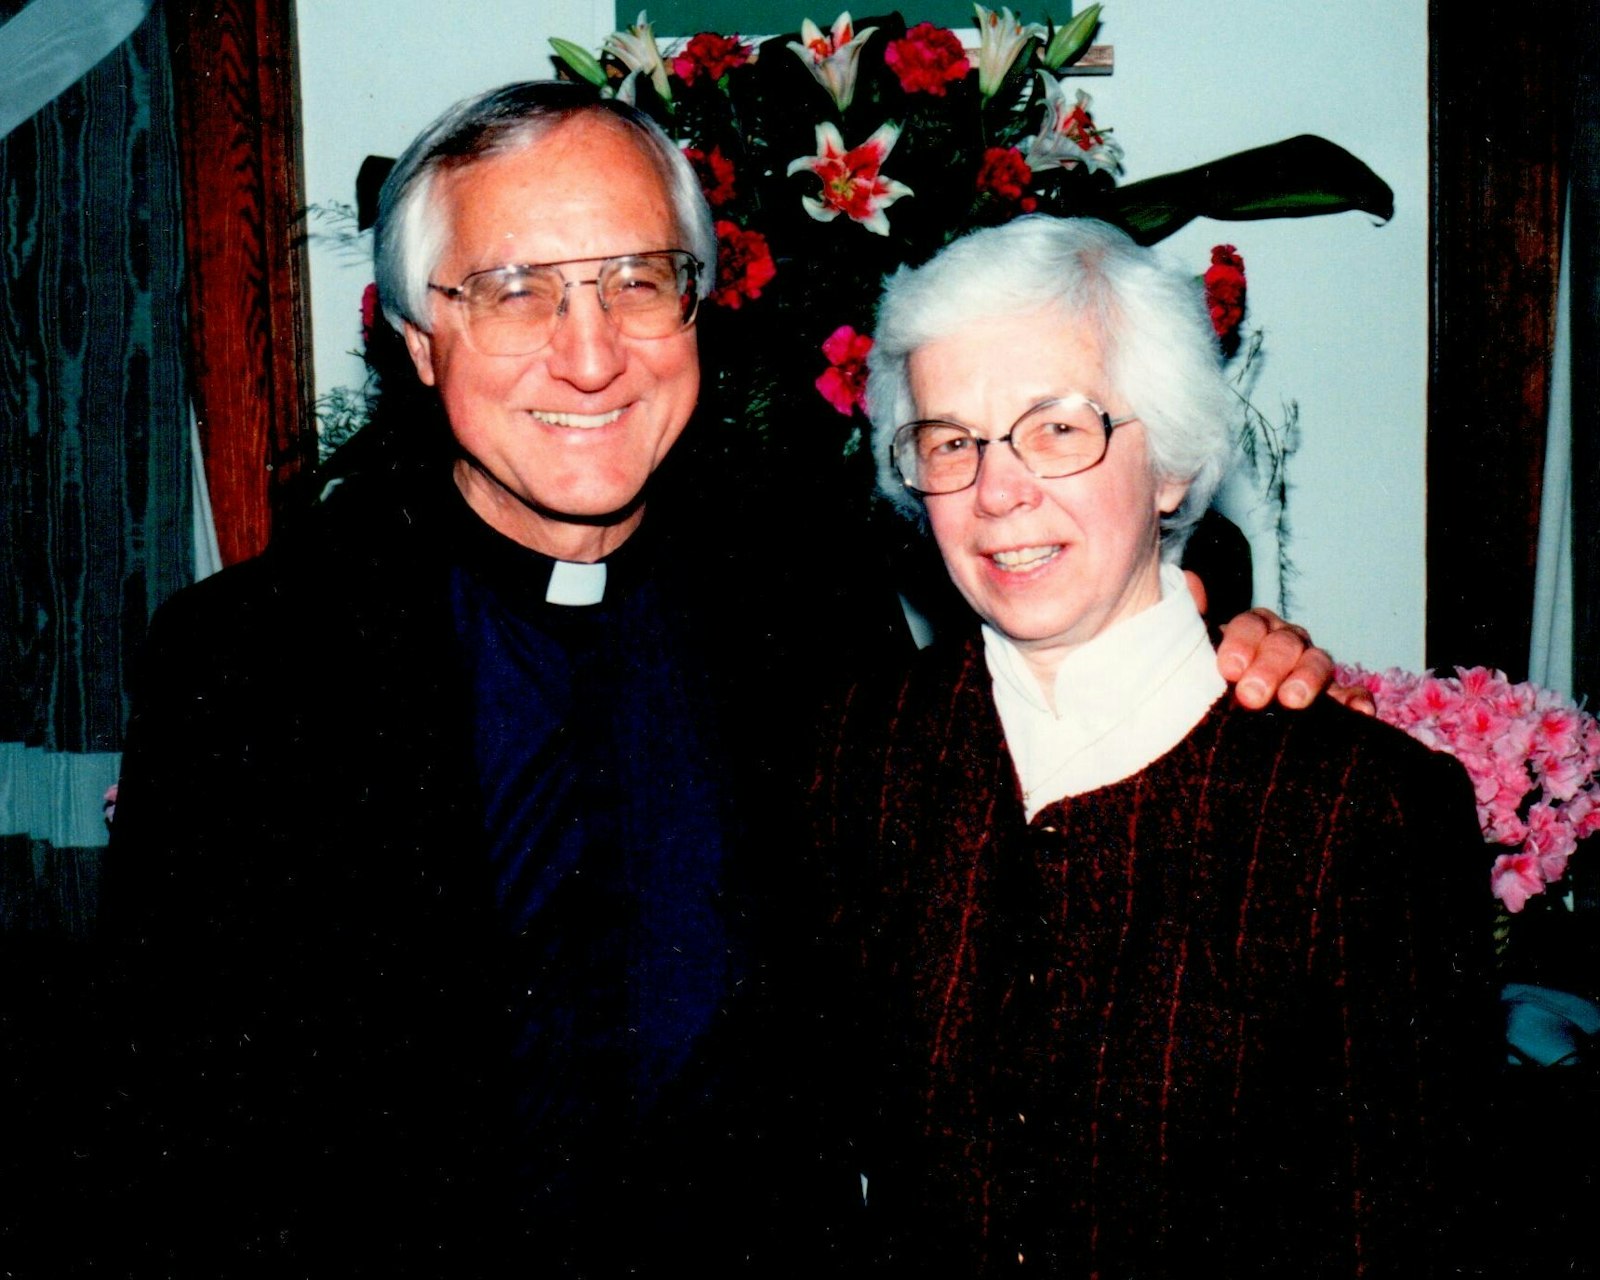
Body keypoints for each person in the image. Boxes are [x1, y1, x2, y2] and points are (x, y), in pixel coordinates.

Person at [57, 84, 1334, 1276]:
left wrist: (1209, 655)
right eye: (513, 291)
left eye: (636, 281)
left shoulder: (809, 602)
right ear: (415, 343)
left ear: (699, 305)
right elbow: (164, 1127)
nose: (591, 354)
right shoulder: (251, 666)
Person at [815, 216, 1493, 1277]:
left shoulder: (1357, 814)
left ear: (1171, 462)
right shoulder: (859, 749)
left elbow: (1401, 1238)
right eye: (951, 440)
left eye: (1056, 428)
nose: (998, 491)